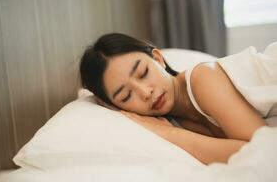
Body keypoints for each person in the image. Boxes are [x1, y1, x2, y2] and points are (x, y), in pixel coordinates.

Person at [79, 33, 276, 165]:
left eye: (143, 73)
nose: (145, 92)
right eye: (126, 96)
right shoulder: (175, 120)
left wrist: (169, 133)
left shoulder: (203, 78)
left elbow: (262, 150)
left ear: (158, 58)